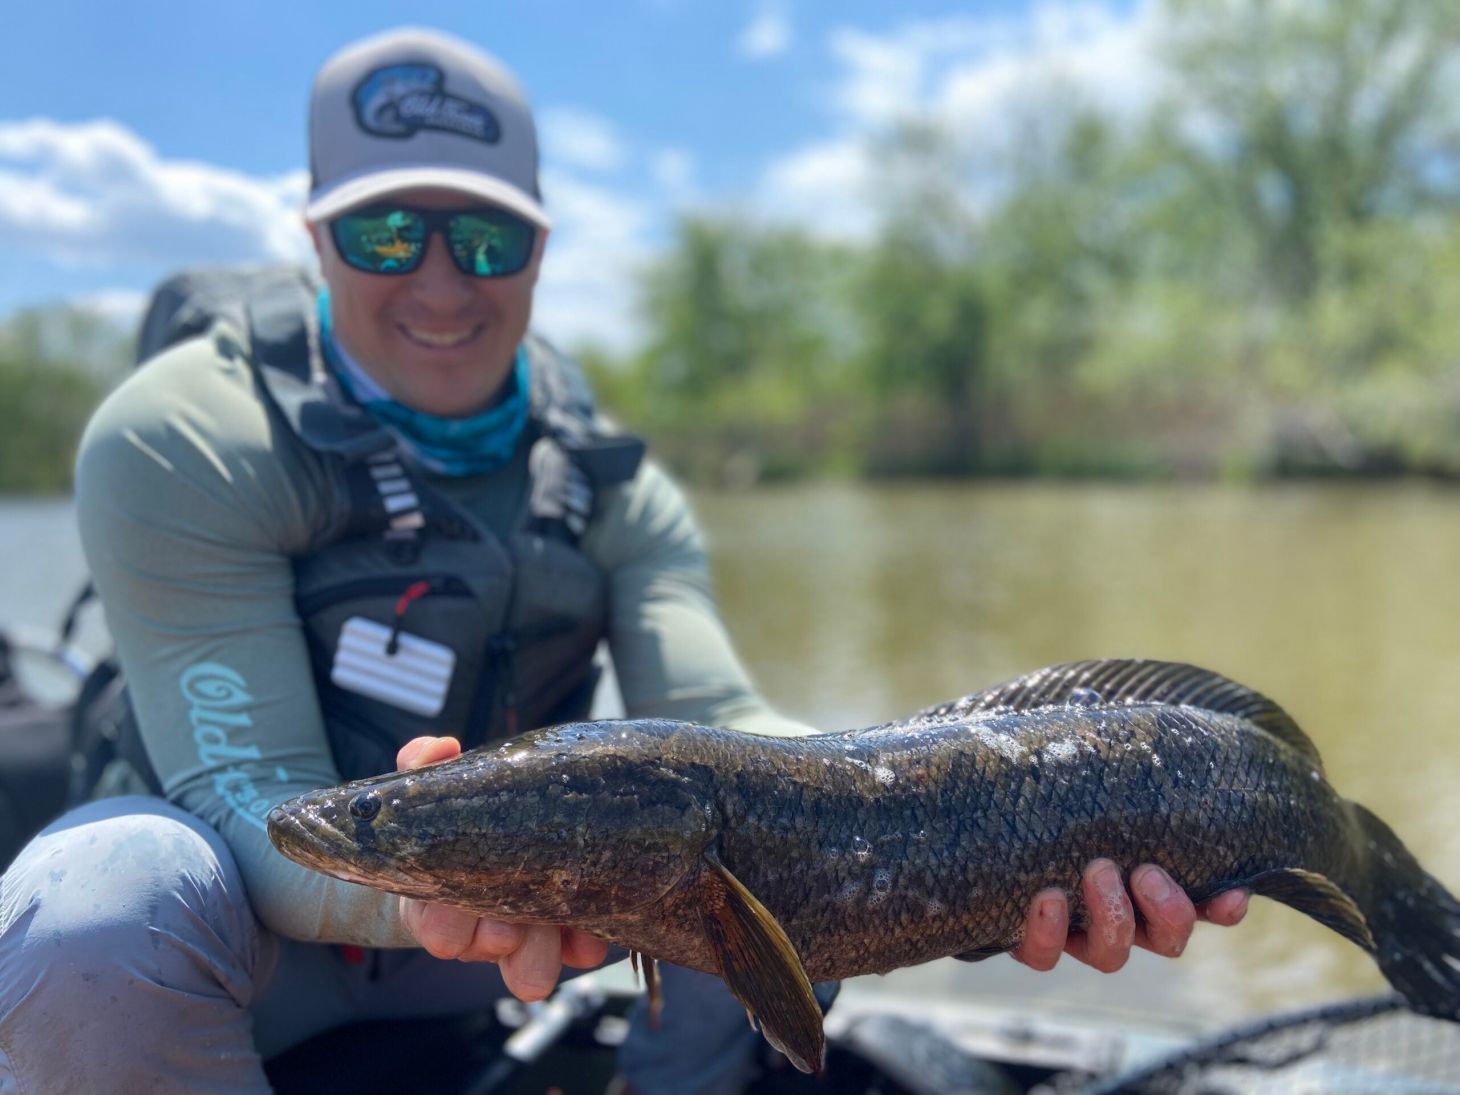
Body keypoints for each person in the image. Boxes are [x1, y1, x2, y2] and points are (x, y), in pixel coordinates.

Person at [0, 26, 1247, 1095]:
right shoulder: (181, 436)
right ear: (317, 238)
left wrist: (989, 857)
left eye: (485, 241)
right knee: (101, 893)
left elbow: (739, 734)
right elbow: (249, 802)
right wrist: (503, 878)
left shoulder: (611, 482)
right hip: (232, 986)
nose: (440, 282)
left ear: (538, 250)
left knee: (726, 866)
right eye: (388, 232)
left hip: (499, 966)